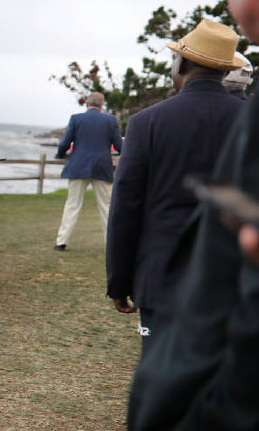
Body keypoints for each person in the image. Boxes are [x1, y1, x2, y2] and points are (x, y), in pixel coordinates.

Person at [126, 0, 259, 431]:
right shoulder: (243, 111)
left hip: (169, 272)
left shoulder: (151, 120)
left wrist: (119, 278)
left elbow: (129, 201)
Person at [105, 18, 244, 351]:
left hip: (161, 274)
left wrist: (120, 282)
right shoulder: (249, 122)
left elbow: (126, 207)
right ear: (225, 72)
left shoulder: (146, 122)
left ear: (181, 63)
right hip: (235, 274)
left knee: (160, 372)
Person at [53, 92, 122, 251]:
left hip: (78, 166)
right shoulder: (110, 120)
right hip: (102, 167)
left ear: (87, 103)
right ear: (102, 105)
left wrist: (60, 154)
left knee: (72, 204)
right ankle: (111, 244)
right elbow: (119, 146)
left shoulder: (76, 119)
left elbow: (65, 142)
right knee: (106, 207)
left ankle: (61, 242)